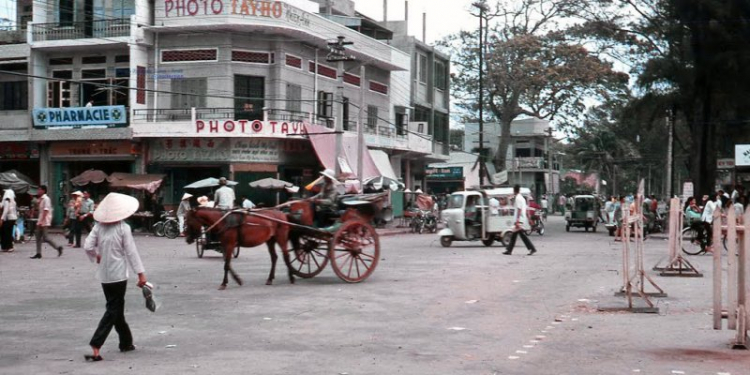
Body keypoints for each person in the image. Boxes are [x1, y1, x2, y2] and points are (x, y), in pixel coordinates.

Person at [84, 193, 147, 362]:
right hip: (118, 275)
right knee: (113, 309)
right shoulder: (123, 227)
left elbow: (87, 245)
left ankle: (126, 342)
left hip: (104, 276)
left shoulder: (98, 227)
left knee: (116, 308)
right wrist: (140, 274)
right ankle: (96, 344)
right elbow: (131, 252)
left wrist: (96, 256)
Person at [30, 185, 63, 259]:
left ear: (43, 191)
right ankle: (38, 253)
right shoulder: (41, 199)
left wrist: (42, 221)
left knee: (45, 237)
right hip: (41, 220)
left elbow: (46, 210)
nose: (38, 191)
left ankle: (58, 247)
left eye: (39, 190)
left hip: (44, 221)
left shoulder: (46, 199)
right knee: (38, 236)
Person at [503, 185, 537, 256]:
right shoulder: (521, 198)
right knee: (515, 235)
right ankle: (509, 250)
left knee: (521, 235)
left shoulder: (518, 198)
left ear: (514, 190)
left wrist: (517, 220)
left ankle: (531, 248)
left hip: (519, 219)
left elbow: (519, 209)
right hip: (521, 218)